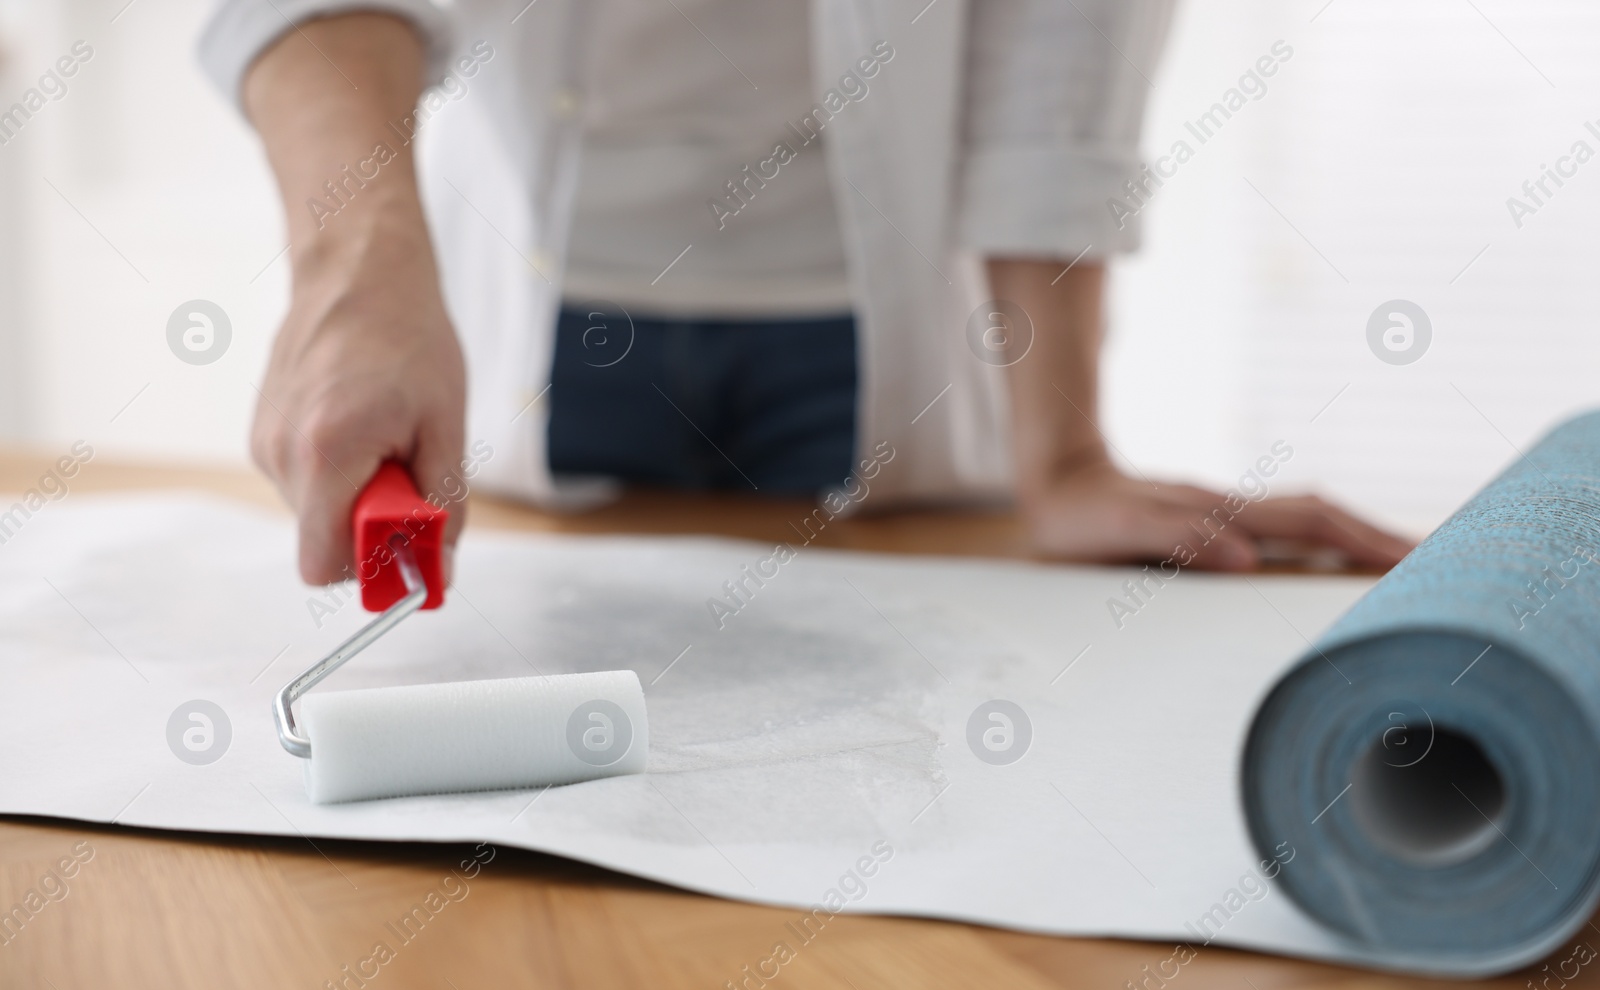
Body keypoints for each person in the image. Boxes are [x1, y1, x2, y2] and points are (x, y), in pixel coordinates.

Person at [199, 0, 1410, 587]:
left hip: (871, 344)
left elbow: (1058, 38)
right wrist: (355, 271)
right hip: (537, 323)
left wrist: (1069, 453)